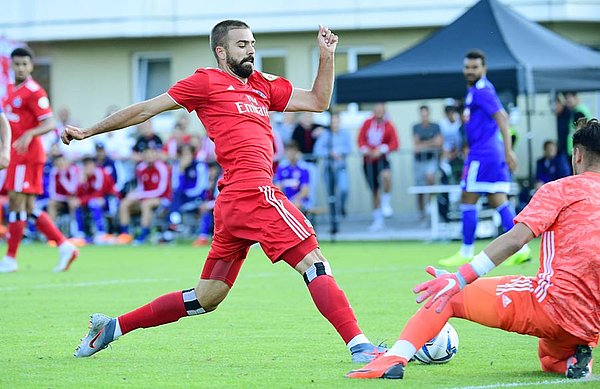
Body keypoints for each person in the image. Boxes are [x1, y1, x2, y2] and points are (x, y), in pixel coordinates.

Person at [64, 20, 384, 363]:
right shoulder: (205, 81)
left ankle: (112, 327)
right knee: (315, 264)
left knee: (207, 297)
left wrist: (327, 55)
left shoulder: (262, 85)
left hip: (235, 201)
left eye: (252, 43)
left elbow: (318, 101)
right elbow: (146, 109)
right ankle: (361, 347)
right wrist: (88, 132)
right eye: (242, 44)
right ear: (221, 51)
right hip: (252, 192)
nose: (251, 50)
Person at [347, 118, 600, 380]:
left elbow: (516, 239)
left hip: (551, 305)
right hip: (589, 324)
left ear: (577, 155)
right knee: (550, 359)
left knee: (449, 296)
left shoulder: (561, 188)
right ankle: (578, 357)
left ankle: (393, 357)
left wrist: (459, 279)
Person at [438, 50, 530, 267]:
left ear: (483, 69)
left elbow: (503, 118)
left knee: (467, 198)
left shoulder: (482, 91)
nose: (470, 71)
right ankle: (522, 248)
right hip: (489, 153)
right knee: (498, 200)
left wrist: (509, 151)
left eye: (474, 67)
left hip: (483, 154)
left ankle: (466, 251)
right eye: (467, 67)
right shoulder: (475, 90)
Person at [0, 47, 78, 273]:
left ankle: (11, 258)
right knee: (28, 207)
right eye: (17, 64)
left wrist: (28, 134)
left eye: (25, 64)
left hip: (28, 155)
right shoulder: (11, 90)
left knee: (16, 202)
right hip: (15, 154)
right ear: (11, 65)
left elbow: (50, 123)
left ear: (31, 66)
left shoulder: (34, 91)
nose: (21, 68)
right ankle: (64, 246)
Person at [357, 103, 399, 230]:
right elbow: (360, 140)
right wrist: (368, 150)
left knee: (386, 176)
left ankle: (386, 202)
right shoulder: (367, 123)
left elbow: (395, 143)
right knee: (374, 191)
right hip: (369, 161)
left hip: (382, 159)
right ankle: (377, 219)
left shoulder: (388, 125)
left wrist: (382, 149)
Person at [116, 146, 171, 245]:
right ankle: (125, 235)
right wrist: (134, 195)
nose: (149, 156)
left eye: (152, 154)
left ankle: (143, 235)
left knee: (146, 204)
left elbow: (161, 190)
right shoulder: (140, 168)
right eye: (147, 154)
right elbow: (141, 186)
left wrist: (139, 195)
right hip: (145, 197)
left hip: (162, 198)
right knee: (125, 203)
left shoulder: (162, 168)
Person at [313, 112, 352, 218]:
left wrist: (340, 152)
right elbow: (317, 150)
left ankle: (341, 206)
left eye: (337, 121)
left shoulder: (345, 134)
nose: (335, 124)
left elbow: (349, 148)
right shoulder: (326, 134)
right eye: (333, 122)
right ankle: (334, 217)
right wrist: (329, 153)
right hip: (328, 168)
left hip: (341, 168)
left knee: (344, 189)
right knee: (331, 194)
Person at [412, 105, 442, 222]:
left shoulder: (435, 126)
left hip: (431, 159)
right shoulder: (416, 127)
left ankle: (430, 206)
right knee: (419, 189)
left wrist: (423, 143)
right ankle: (421, 213)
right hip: (419, 161)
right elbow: (416, 146)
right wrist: (431, 142)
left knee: (430, 179)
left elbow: (439, 142)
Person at [274, 141, 312, 213]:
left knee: (296, 205)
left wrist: (294, 200)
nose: (291, 153)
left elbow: (305, 190)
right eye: (288, 151)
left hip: (300, 200)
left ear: (297, 152)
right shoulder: (281, 167)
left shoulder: (303, 168)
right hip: (285, 200)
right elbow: (278, 187)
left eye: (293, 151)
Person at [564, 92, 591, 157]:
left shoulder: (578, 112)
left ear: (576, 97)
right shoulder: (582, 109)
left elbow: (580, 132)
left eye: (569, 101)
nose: (568, 104)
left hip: (577, 150)